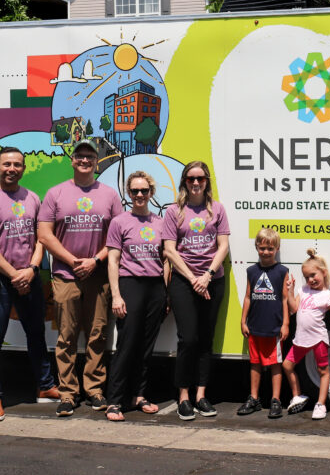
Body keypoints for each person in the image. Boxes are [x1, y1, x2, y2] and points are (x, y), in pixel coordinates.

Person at [0, 146, 60, 422]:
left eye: (17, 164)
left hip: (28, 277)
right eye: (6, 164)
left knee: (36, 334)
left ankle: (45, 386)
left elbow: (40, 239)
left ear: (24, 168)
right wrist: (14, 274)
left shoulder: (32, 198)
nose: (12, 168)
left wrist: (32, 269)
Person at [37, 139, 122, 417]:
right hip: (64, 274)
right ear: (72, 160)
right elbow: (45, 234)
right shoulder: (56, 193)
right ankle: (68, 393)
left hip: (98, 276)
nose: (85, 160)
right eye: (80, 156)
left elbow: (117, 236)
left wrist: (95, 260)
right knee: (67, 336)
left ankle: (95, 390)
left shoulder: (109, 194)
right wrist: (72, 260)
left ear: (97, 162)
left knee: (97, 335)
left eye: (90, 156)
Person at [162, 160, 231, 421]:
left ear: (207, 182)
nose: (195, 183)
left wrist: (208, 275)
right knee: (187, 339)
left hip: (213, 279)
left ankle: (201, 395)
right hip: (184, 281)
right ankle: (183, 397)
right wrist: (194, 279)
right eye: (190, 178)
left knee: (205, 339)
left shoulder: (218, 210)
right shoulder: (173, 212)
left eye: (200, 178)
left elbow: (222, 246)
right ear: (184, 181)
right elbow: (169, 249)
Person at [104, 171, 168, 422]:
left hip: (155, 288)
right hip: (130, 284)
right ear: (128, 194)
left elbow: (166, 260)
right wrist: (116, 296)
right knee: (127, 345)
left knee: (146, 346)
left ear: (151, 193)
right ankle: (114, 401)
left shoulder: (161, 223)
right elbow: (113, 260)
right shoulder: (119, 222)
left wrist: (166, 294)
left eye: (144, 191)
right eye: (134, 191)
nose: (139, 195)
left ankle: (139, 395)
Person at [282, 249, 330, 419]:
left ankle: (320, 404)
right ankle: (297, 396)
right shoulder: (303, 290)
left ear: (323, 272)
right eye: (307, 277)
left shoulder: (327, 295)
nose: (310, 280)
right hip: (301, 339)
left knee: (323, 371)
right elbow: (294, 308)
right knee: (287, 366)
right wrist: (291, 290)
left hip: (318, 339)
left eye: (313, 275)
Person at [237, 228, 290, 419]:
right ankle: (254, 398)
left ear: (276, 248)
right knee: (255, 363)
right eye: (262, 248)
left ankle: (275, 400)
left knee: (275, 364)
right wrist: (243, 321)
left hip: (274, 327)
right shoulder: (251, 271)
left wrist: (285, 324)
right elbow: (248, 297)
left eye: (270, 248)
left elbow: (284, 299)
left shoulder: (282, 271)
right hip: (255, 326)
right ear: (256, 247)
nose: (266, 252)